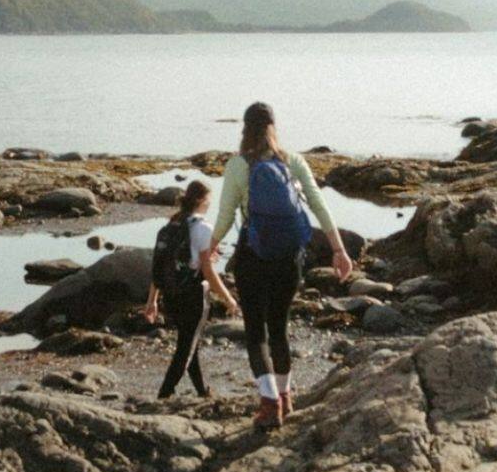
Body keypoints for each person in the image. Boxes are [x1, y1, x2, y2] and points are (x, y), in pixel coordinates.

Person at [209, 101, 353, 429]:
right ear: (274, 126)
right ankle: (286, 398)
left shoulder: (238, 165)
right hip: (288, 257)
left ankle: (269, 402)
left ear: (244, 128)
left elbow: (226, 215)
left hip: (252, 255)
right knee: (279, 327)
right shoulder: (293, 162)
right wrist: (339, 250)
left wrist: (210, 247)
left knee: (255, 332)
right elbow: (318, 205)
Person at [143, 179, 239, 401]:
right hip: (193, 295)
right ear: (201, 200)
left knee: (190, 342)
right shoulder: (203, 228)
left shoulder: (171, 226)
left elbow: (159, 267)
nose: (209, 204)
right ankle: (164, 394)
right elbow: (208, 271)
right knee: (185, 349)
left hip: (171, 295)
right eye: (208, 200)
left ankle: (202, 391)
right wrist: (228, 298)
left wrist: (153, 301)